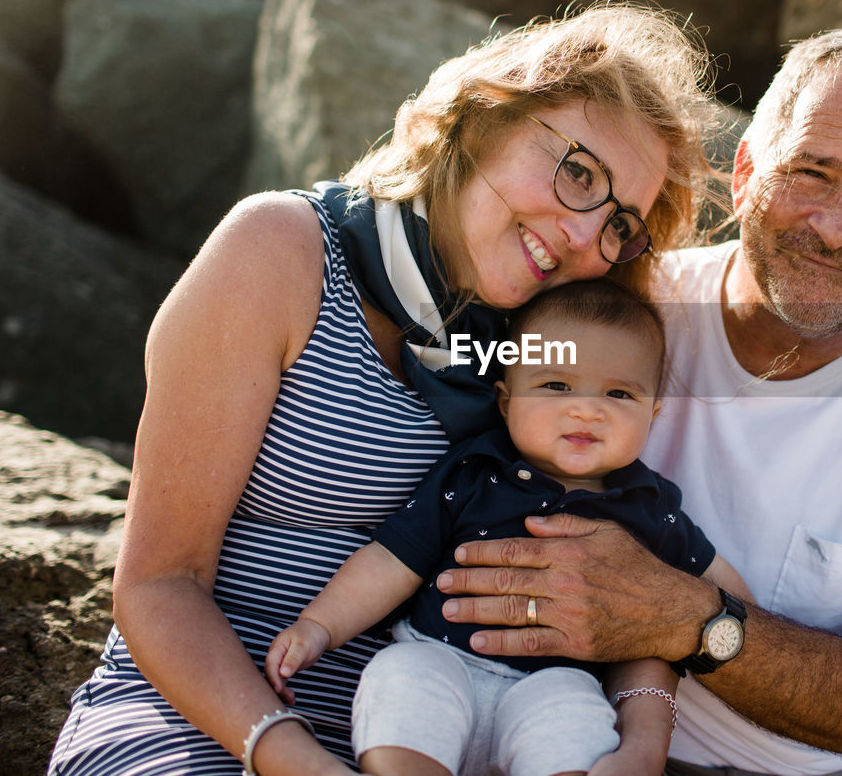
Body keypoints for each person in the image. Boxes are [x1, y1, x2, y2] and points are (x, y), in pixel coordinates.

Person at [47, 1, 721, 776]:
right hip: (203, 722)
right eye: (578, 172)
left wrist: (641, 745)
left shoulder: (552, 363)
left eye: (619, 225)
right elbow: (160, 584)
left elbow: (615, 565)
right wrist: (294, 757)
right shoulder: (282, 251)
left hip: (429, 738)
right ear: (485, 116)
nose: (581, 235)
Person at [434, 28, 842, 775]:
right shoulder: (613, 310)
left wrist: (688, 618)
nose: (836, 227)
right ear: (745, 173)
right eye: (812, 172)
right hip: (568, 733)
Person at [265, 279, 749, 776]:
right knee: (402, 677)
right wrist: (318, 627)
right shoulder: (474, 471)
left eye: (619, 393)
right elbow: (393, 560)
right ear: (506, 400)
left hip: (556, 681)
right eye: (556, 385)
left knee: (576, 719)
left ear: (652, 413)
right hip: (441, 656)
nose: (586, 409)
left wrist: (752, 626)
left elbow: (719, 583)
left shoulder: (650, 507)